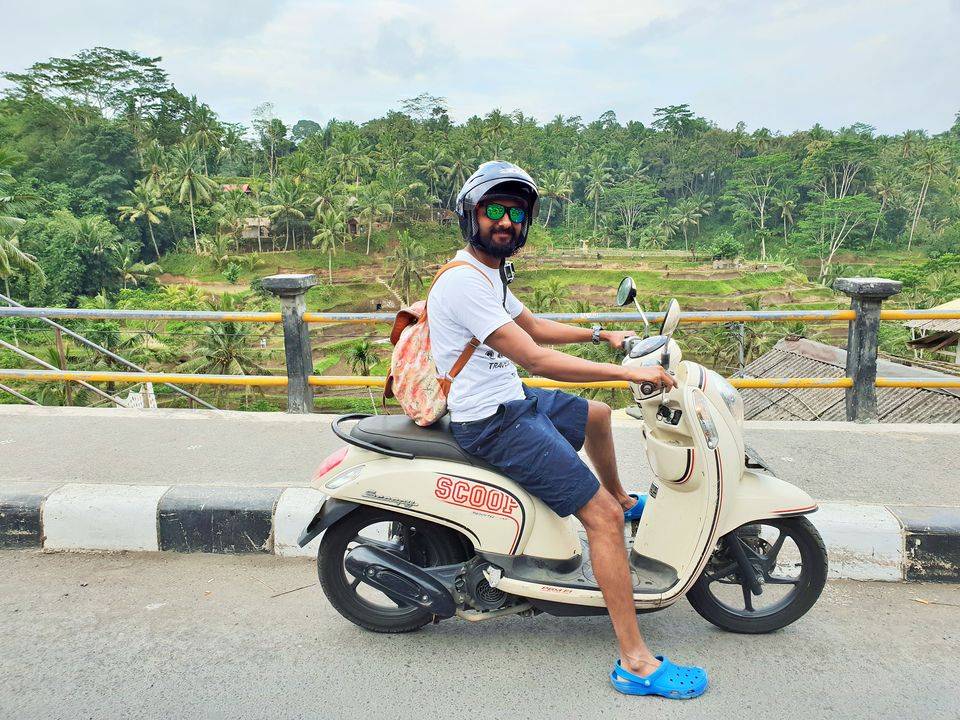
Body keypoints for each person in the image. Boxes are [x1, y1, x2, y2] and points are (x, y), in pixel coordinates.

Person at [427, 161, 707, 698]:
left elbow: (533, 326)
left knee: (598, 416)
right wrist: (629, 371)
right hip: (493, 422)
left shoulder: (489, 274)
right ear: (471, 215)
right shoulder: (464, 282)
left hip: (509, 399)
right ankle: (636, 662)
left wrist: (600, 333)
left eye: (516, 213)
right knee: (597, 518)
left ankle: (625, 499)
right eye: (495, 210)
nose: (506, 222)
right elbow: (537, 357)